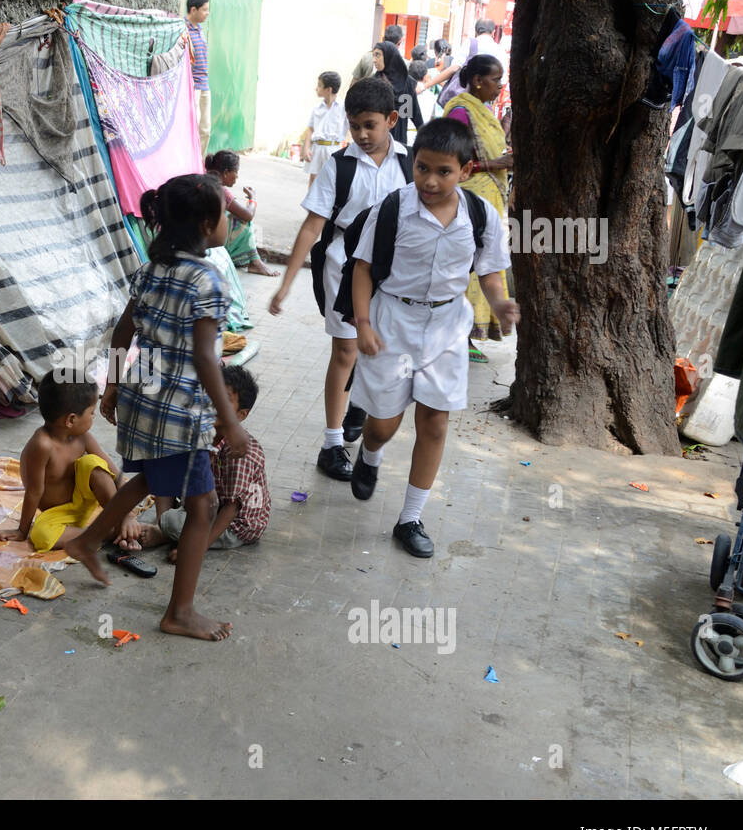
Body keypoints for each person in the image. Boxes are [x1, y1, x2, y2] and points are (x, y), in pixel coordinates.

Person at [61, 174, 249, 641]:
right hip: (182, 417)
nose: (228, 221)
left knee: (149, 478)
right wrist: (230, 421)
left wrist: (114, 388)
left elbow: (122, 334)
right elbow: (207, 356)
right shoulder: (209, 279)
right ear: (208, 224)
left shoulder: (151, 270)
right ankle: (179, 612)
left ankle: (86, 542)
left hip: (145, 404)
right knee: (202, 507)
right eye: (225, 214)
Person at [347, 118, 518, 558]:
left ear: (466, 170)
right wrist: (363, 324)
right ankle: (369, 453)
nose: (430, 180)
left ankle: (410, 518)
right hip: (391, 325)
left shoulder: (481, 216)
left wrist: (499, 304)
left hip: (446, 328)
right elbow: (364, 268)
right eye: (422, 168)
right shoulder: (393, 209)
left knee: (435, 423)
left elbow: (490, 274)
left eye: (444, 171)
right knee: (383, 425)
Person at [269, 77, 411, 482]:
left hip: (392, 273)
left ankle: (357, 406)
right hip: (345, 266)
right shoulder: (340, 166)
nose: (362, 134)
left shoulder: (409, 164)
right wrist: (286, 282)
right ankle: (332, 445)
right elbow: (312, 225)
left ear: (391, 119)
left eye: (370, 125)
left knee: (378, 350)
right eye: (355, 126)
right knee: (346, 352)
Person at [0, 370, 146, 556]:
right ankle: (109, 532)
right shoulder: (42, 445)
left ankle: (120, 518)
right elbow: (34, 492)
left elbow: (112, 471)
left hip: (82, 503)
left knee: (92, 463)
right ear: (71, 419)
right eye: (92, 412)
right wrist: (22, 531)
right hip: (57, 515)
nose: (94, 416)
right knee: (40, 535)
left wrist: (128, 512)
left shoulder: (83, 437)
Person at [137, 365, 270, 560]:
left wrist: (197, 549)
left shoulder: (241, 451)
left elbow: (231, 509)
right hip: (205, 504)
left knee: (174, 522)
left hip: (236, 524)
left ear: (241, 415)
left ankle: (166, 531)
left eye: (224, 400)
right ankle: (163, 527)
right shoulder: (204, 432)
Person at [443, 54, 513, 361]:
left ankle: (469, 332)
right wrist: (495, 164)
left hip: (488, 199)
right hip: (469, 198)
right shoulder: (461, 111)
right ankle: (460, 334)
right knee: (469, 265)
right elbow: (450, 158)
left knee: (485, 262)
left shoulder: (483, 112)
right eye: (496, 79)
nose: (500, 85)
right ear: (477, 81)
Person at [205, 150, 277, 276]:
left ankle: (254, 260)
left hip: (201, 228)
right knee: (243, 222)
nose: (237, 176)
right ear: (226, 172)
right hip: (206, 233)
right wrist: (252, 198)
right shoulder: (220, 190)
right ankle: (254, 262)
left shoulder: (207, 180)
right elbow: (248, 215)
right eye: (236, 172)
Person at [300, 71, 347, 189]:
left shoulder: (343, 108)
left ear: (329, 89)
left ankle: (327, 207)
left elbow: (350, 126)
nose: (316, 88)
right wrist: (306, 148)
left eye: (320, 85)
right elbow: (310, 128)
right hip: (317, 147)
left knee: (330, 181)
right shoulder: (317, 108)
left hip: (333, 148)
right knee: (313, 179)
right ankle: (311, 207)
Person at [373, 41, 424, 145]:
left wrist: (424, 136)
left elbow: (414, 112)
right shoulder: (374, 83)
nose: (374, 60)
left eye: (377, 55)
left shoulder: (407, 83)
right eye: (373, 56)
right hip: (378, 140)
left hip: (399, 140)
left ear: (389, 56)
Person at [186, 0, 212, 157]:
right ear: (193, 9)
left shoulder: (200, 30)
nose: (207, 13)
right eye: (204, 10)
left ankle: (199, 164)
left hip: (204, 85)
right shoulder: (183, 29)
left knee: (205, 129)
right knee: (192, 127)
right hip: (192, 86)